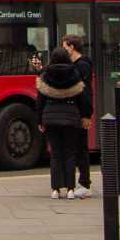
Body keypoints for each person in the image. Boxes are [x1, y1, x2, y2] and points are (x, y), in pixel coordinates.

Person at [37, 46, 91, 203]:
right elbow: (83, 98)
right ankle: (70, 189)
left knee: (55, 153)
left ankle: (55, 189)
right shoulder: (74, 73)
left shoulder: (45, 74)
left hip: (50, 117)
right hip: (71, 118)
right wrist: (85, 115)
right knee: (69, 153)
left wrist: (39, 119)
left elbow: (40, 100)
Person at [59, 33, 95, 194]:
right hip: (72, 112)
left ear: (72, 47)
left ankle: (85, 183)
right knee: (74, 148)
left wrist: (86, 115)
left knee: (81, 148)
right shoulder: (74, 64)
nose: (63, 49)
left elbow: (85, 92)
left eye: (65, 46)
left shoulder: (82, 65)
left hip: (80, 112)